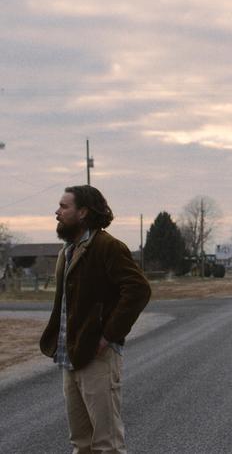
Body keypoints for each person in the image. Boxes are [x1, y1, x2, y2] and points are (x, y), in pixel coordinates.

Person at [40, 185, 151, 453]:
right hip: (71, 355)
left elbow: (138, 290)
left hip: (98, 357)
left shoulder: (106, 246)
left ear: (83, 212)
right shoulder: (67, 250)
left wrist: (108, 335)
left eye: (64, 207)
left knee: (107, 443)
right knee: (81, 443)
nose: (57, 212)